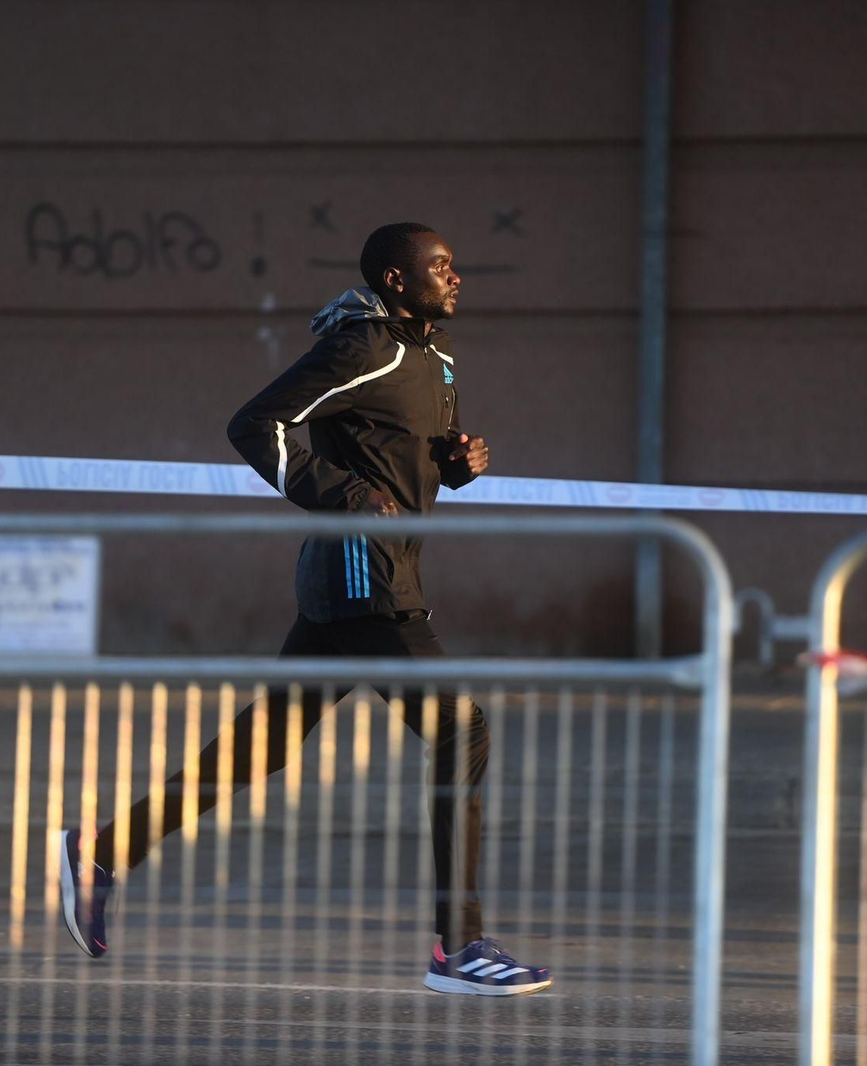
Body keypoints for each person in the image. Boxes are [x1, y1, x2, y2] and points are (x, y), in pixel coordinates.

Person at [58, 223, 551, 996]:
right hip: (362, 579)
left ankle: (103, 856)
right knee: (462, 728)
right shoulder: (365, 348)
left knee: (264, 749)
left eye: (456, 266)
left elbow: (403, 454)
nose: (456, 277)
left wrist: (457, 464)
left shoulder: (437, 359)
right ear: (395, 279)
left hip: (373, 579)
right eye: (440, 267)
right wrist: (347, 496)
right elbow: (256, 425)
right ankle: (459, 947)